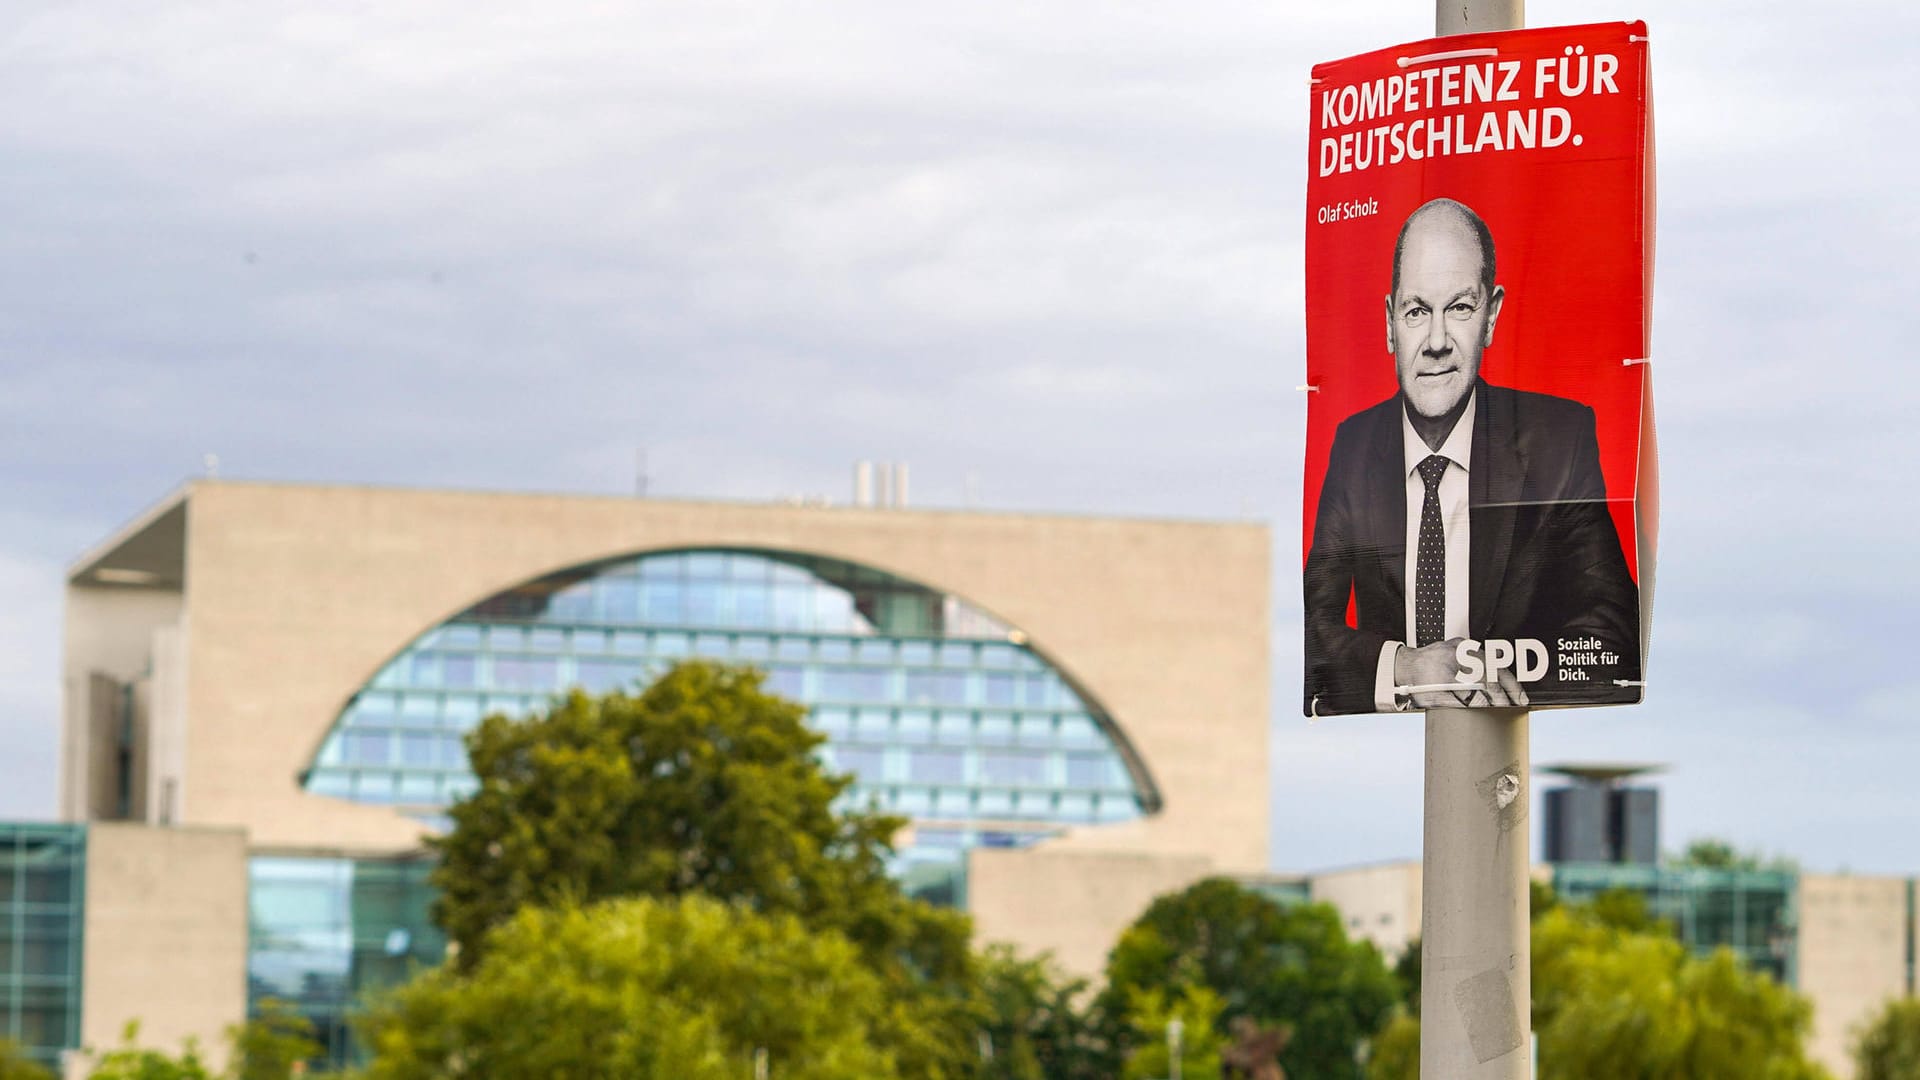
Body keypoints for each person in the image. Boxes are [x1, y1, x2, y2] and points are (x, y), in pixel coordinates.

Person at [1303, 197, 1640, 716]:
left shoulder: (1557, 439)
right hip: (1389, 752)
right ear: (1391, 323)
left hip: (1508, 747)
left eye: (1459, 307)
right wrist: (1406, 669)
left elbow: (1614, 636)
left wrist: (1482, 676)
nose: (1436, 341)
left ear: (1491, 314)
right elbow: (1314, 628)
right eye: (1417, 311)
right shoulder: (1354, 447)